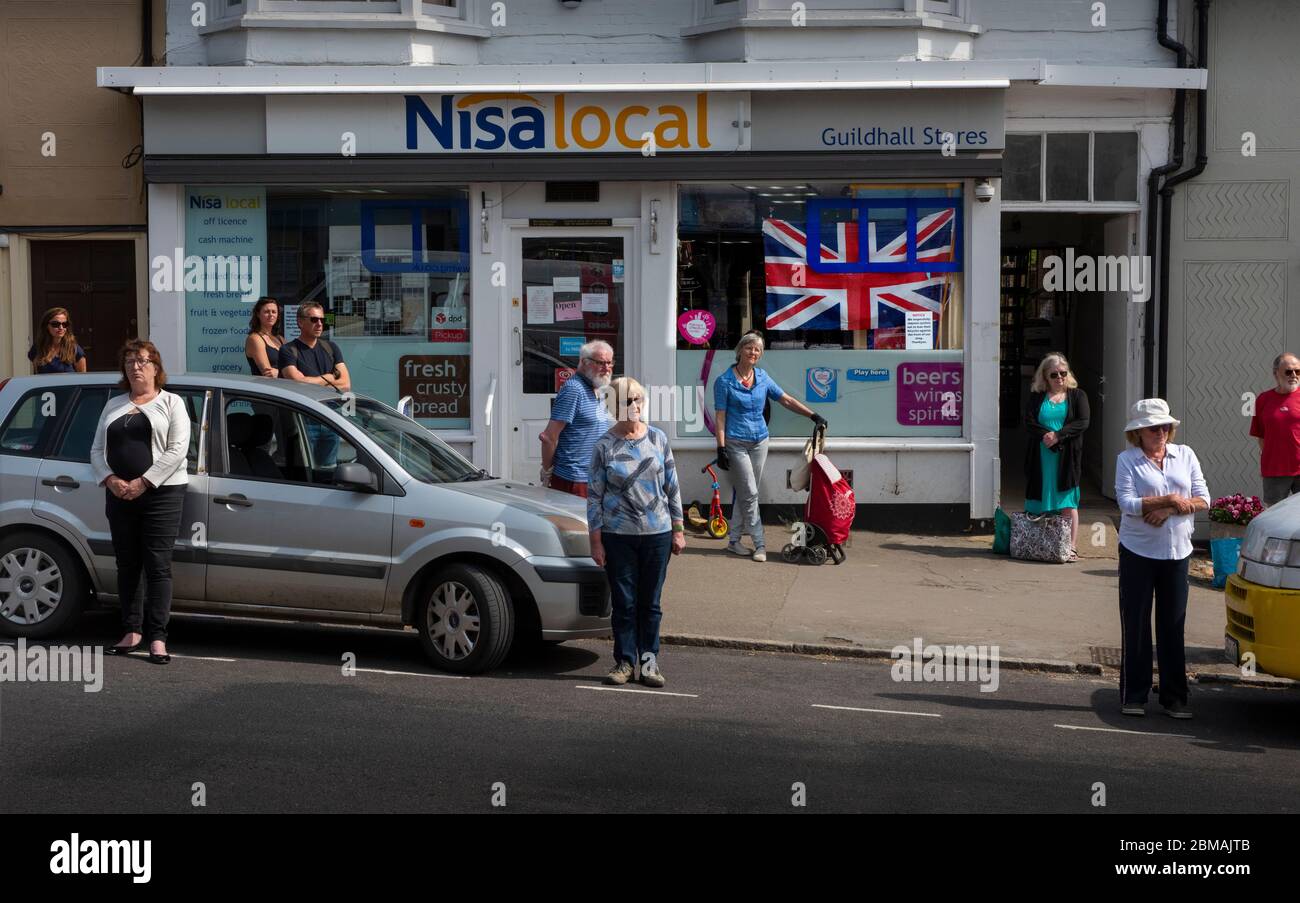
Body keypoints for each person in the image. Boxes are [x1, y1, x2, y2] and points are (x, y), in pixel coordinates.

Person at [90, 340, 190, 665]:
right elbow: (95, 450)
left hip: (161, 495)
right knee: (127, 564)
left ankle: (158, 638)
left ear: (156, 368)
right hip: (119, 495)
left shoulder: (172, 402)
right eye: (130, 361)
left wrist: (143, 482)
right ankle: (131, 631)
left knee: (157, 567)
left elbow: (177, 450)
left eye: (143, 361)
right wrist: (111, 479)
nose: (135, 366)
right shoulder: (113, 404)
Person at [1113, 398, 1210, 719]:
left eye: (1166, 426)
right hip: (1137, 551)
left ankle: (1175, 697)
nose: (1161, 432)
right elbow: (1126, 503)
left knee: (1173, 625)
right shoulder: (1127, 460)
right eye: (1154, 428)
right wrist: (1166, 498)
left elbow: (1204, 498)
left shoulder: (1186, 455)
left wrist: (1168, 508)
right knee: (1136, 623)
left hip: (1177, 551)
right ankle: (1134, 695)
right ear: (1138, 432)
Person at [588, 377, 685, 688]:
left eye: (637, 400)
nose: (634, 406)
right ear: (614, 406)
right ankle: (625, 662)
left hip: (657, 533)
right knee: (624, 603)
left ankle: (649, 662)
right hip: (618, 536)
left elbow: (672, 486)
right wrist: (596, 541)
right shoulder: (604, 445)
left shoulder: (658, 439)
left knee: (651, 604)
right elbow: (594, 496)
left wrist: (679, 529)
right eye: (626, 401)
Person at [714, 331, 826, 562]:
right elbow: (721, 417)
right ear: (740, 350)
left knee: (746, 493)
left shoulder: (762, 377)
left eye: (757, 349)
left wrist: (812, 415)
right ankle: (760, 544)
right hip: (736, 443)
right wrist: (721, 447)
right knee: (751, 493)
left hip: (760, 441)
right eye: (749, 348)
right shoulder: (724, 381)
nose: (753, 352)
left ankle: (734, 541)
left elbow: (785, 399)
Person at [1024, 352, 1090, 561]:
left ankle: (1070, 547)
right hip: (1041, 455)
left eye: (1063, 373)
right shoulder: (1036, 397)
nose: (1059, 378)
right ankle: (1040, 545)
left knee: (1067, 502)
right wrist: (1045, 435)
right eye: (1054, 374)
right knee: (1038, 500)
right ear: (1045, 376)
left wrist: (1058, 435)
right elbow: (1028, 421)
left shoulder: (1078, 395)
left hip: (1066, 456)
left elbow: (1083, 422)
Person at [538, 340, 615, 498]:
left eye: (609, 362)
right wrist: (547, 472)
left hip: (595, 478)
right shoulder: (574, 390)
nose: (607, 368)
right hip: (574, 480)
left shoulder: (597, 387)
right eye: (600, 363)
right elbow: (548, 437)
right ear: (584, 362)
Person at [280, 302, 350, 466]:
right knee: (305, 471)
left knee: (329, 470)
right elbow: (297, 383)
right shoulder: (288, 350)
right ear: (300, 322)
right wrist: (330, 377)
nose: (319, 324)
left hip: (331, 417)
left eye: (322, 320)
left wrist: (310, 381)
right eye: (313, 319)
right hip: (304, 419)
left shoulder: (331, 347)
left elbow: (346, 384)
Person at [1250, 352, 1300, 507]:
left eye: (1297, 371)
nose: (1293, 375)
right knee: (1274, 520)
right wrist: (1271, 460)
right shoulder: (1263, 400)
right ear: (1276, 374)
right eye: (1288, 371)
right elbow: (1261, 436)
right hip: (1274, 472)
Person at [28, 307, 87, 374]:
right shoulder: (38, 348)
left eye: (65, 324)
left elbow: (82, 377)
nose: (61, 328)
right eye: (55, 324)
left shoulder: (74, 349)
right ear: (46, 326)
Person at [244, 296, 285, 378]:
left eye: (274, 312)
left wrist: (279, 372)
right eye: (267, 312)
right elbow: (268, 374)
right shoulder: (255, 339)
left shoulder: (280, 339)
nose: (271, 315)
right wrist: (288, 373)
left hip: (284, 387)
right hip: (266, 389)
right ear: (258, 314)